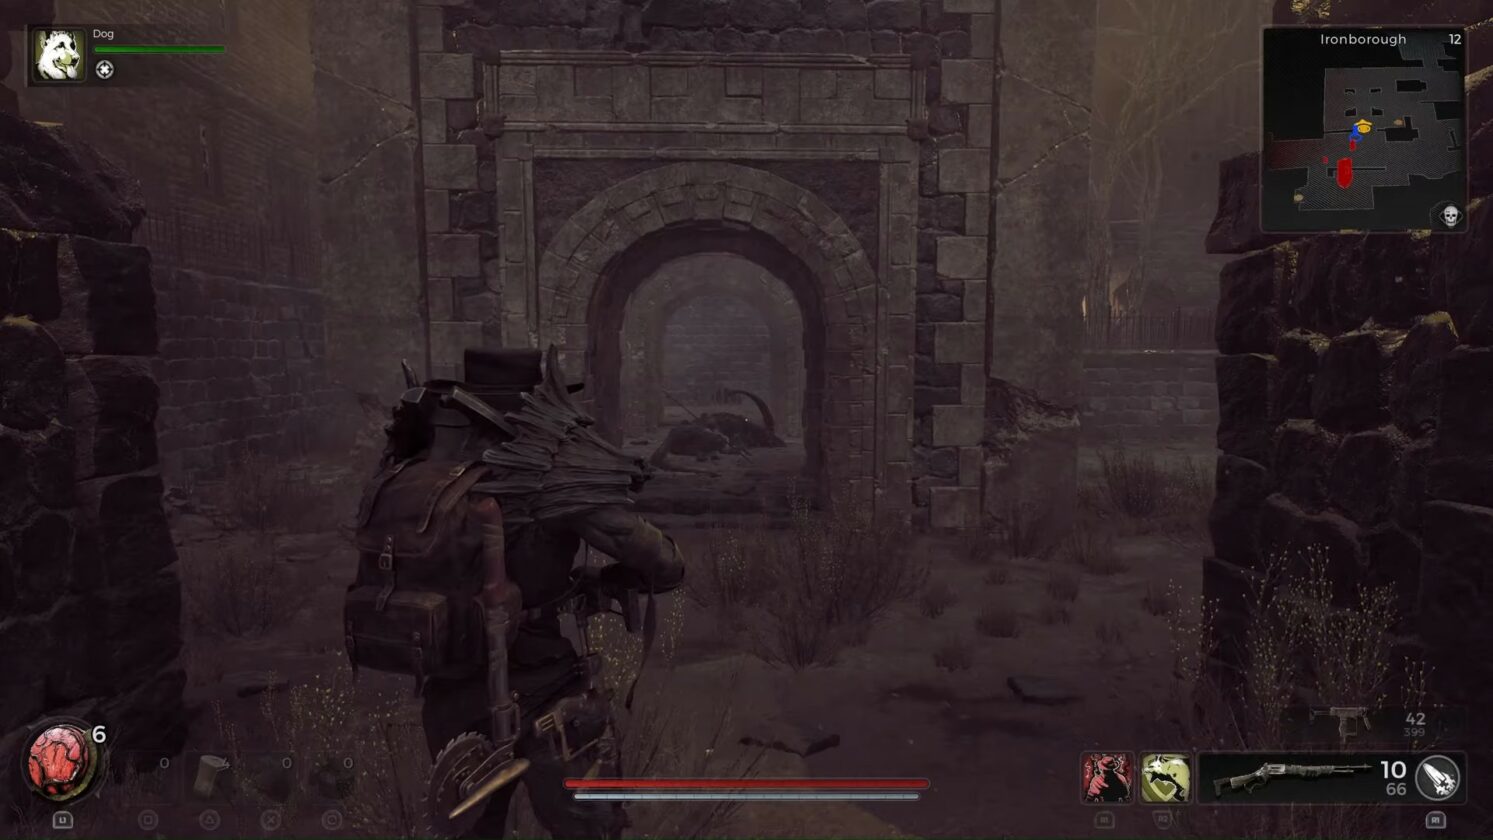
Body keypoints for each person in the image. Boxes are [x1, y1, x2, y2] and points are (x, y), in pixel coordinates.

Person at [373, 346, 684, 838]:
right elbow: (664, 566)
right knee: (589, 831)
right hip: (545, 693)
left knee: (474, 833)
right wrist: (607, 577)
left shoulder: (423, 466)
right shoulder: (550, 473)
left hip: (451, 695)